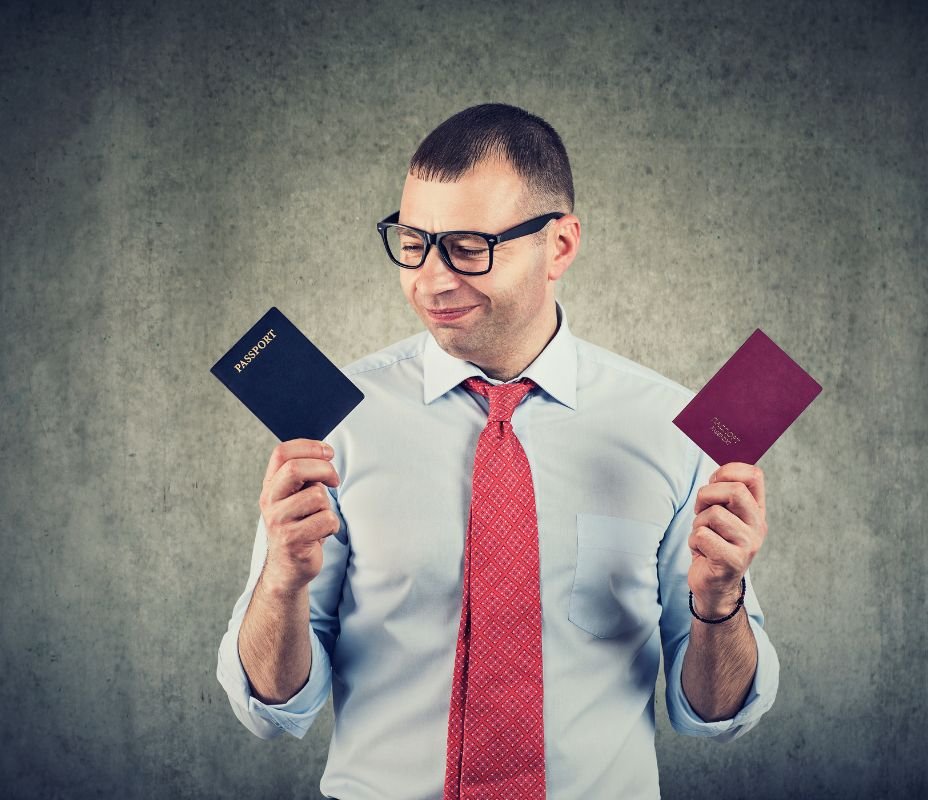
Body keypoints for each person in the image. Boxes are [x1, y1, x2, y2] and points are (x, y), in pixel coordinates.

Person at [216, 103, 779, 800]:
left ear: (561, 246)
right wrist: (282, 583)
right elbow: (273, 710)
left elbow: (714, 718)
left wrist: (719, 602)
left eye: (468, 247)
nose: (430, 279)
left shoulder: (673, 429)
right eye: (414, 242)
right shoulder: (337, 424)